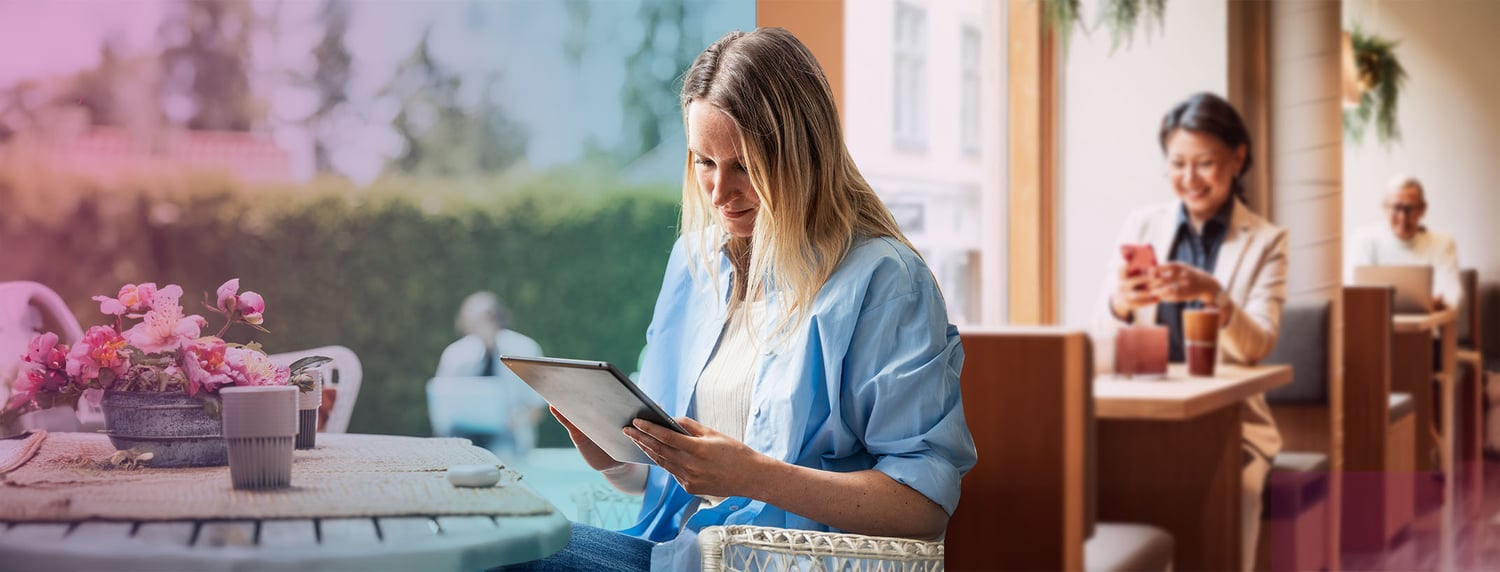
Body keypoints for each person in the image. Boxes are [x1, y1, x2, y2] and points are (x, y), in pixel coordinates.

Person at [505, 28, 976, 572]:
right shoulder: (693, 263)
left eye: (745, 166)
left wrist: (754, 476)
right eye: (704, 161)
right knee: (490, 540)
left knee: (500, 555)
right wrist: (610, 454)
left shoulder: (885, 281)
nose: (719, 192)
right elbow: (678, 481)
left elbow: (923, 508)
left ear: (806, 155)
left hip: (779, 564)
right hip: (675, 554)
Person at [1092, 92, 1286, 572]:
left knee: (1234, 493)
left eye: (1205, 163)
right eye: (1178, 164)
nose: (1190, 179)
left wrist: (1215, 295)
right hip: (1142, 414)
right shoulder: (1141, 224)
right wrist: (1121, 304)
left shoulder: (1266, 241)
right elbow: (1097, 334)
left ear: (1238, 159)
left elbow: (1258, 344)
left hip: (1230, 423)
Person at [434, 291, 545, 458]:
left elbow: (538, 407)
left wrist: (514, 421)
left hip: (508, 438)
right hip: (462, 435)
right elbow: (441, 404)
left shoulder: (525, 349)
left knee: (501, 456)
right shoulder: (455, 354)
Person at [1346, 175, 1463, 310]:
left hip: (1428, 325)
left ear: (1423, 209)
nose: (1403, 217)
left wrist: (1438, 302)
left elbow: (1452, 294)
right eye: (1396, 208)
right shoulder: (1363, 240)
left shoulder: (1442, 244)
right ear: (1384, 208)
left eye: (1410, 209)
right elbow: (1352, 289)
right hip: (1373, 324)